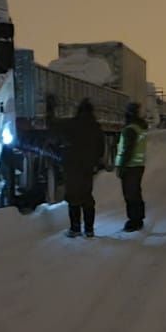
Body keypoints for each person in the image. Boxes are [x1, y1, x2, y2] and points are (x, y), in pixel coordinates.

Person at [58, 98, 104, 238]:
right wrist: (95, 162)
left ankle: (75, 228)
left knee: (73, 197)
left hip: (72, 167)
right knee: (87, 196)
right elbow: (101, 148)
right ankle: (89, 229)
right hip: (87, 168)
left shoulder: (72, 125)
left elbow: (61, 139)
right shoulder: (95, 126)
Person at [116, 101, 149, 231]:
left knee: (130, 195)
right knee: (135, 193)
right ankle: (138, 218)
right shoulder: (140, 127)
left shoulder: (130, 129)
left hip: (130, 166)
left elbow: (127, 150)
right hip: (138, 165)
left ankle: (134, 221)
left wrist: (121, 167)